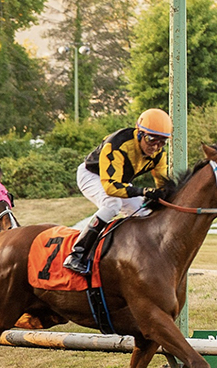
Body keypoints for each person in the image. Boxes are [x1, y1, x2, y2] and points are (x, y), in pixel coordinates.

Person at [63, 108, 173, 274]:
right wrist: (143, 191)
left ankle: (143, 258)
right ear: (139, 133)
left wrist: (163, 195)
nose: (156, 146)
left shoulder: (158, 154)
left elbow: (163, 184)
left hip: (118, 181)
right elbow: (110, 187)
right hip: (92, 176)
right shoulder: (117, 144)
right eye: (151, 139)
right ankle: (77, 254)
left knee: (145, 212)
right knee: (112, 204)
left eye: (162, 141)